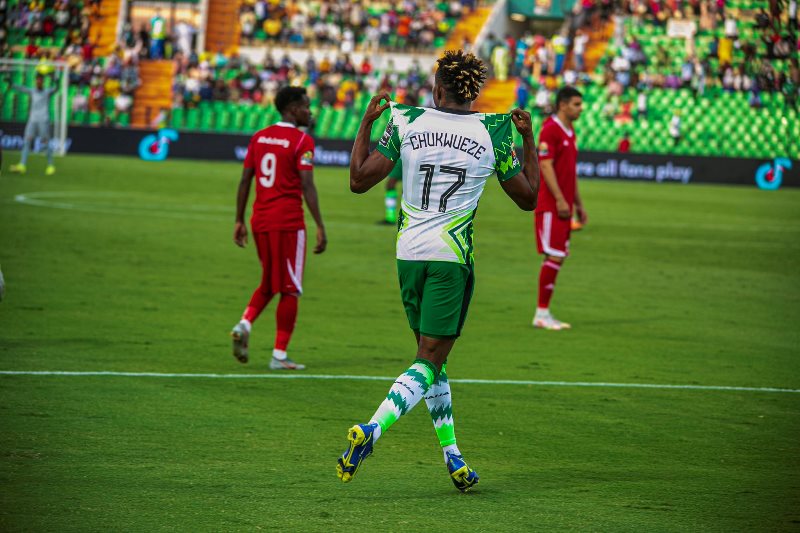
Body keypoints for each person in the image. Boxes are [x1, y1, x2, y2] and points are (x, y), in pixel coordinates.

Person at [339, 50, 540, 490]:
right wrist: (529, 141)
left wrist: (365, 124)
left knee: (431, 360)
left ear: (436, 89)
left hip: (408, 254)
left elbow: (357, 180)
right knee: (430, 359)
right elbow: (529, 199)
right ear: (474, 93)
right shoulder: (493, 132)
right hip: (450, 258)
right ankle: (371, 430)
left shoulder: (406, 122)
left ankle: (453, 457)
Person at [230, 86, 327, 370]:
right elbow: (307, 185)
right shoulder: (301, 141)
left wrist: (238, 219)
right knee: (290, 288)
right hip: (288, 222)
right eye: (306, 106)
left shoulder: (259, 138)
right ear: (292, 108)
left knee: (271, 281)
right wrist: (320, 225)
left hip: (259, 220)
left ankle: (244, 323)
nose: (310, 112)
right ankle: (279, 356)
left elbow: (245, 180)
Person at [533, 86, 586, 331]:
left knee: (557, 256)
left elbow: (569, 172)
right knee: (554, 255)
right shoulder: (550, 129)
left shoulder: (570, 130)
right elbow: (546, 166)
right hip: (551, 205)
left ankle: (544, 312)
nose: (580, 108)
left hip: (563, 205)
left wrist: (578, 204)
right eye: (576, 104)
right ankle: (541, 314)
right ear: (563, 105)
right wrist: (561, 200)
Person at [10, 74, 58, 175]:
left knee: (45, 143)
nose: (39, 82)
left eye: (40, 80)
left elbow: (56, 89)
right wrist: (11, 83)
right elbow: (21, 88)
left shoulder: (47, 92)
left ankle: (50, 165)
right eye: (37, 80)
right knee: (27, 141)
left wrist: (56, 81)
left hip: (43, 121)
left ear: (43, 81)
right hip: (32, 120)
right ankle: (22, 165)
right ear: (35, 81)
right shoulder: (32, 91)